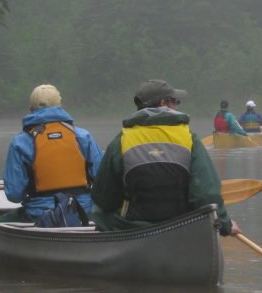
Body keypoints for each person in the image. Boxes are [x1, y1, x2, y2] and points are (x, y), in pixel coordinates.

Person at [91, 80, 241, 235]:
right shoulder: (189, 138)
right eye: (175, 101)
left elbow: (103, 197)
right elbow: (207, 195)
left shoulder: (121, 140)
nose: (178, 105)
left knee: (98, 212)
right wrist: (225, 224)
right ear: (163, 103)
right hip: (181, 227)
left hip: (133, 229)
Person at [2, 84, 103, 223]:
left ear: (31, 108)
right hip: (82, 213)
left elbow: (14, 194)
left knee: (4, 220)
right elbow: (103, 181)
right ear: (60, 106)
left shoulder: (20, 142)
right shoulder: (83, 136)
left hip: (39, 214)